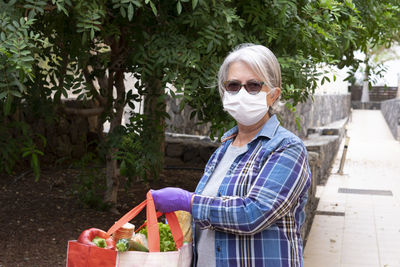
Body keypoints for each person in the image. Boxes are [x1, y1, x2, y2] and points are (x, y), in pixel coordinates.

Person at [151, 44, 311, 267]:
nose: (242, 93)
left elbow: (253, 213)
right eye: (233, 85)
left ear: (273, 95)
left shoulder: (287, 148)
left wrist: (187, 201)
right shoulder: (223, 150)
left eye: (254, 86)